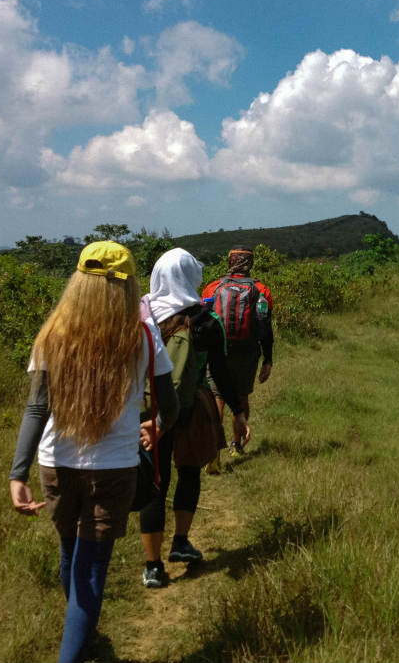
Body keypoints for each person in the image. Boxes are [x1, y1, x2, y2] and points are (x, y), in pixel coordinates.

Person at [8, 241, 178, 663]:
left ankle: (82, 637)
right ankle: (78, 644)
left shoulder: (54, 333)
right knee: (91, 568)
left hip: (55, 464)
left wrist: (18, 473)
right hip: (114, 469)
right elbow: (170, 406)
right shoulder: (143, 334)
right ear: (130, 285)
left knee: (71, 553)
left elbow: (37, 407)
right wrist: (155, 428)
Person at [138, 247, 238, 588]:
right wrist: (239, 412)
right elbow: (221, 373)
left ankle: (152, 565)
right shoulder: (207, 322)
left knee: (156, 481)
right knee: (189, 472)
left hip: (150, 411)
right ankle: (181, 542)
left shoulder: (143, 312)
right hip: (190, 409)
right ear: (191, 278)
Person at [201, 245, 273, 461]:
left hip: (217, 352)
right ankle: (235, 444)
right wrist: (268, 359)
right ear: (250, 263)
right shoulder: (262, 290)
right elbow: (265, 326)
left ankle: (213, 450)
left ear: (230, 262)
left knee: (217, 397)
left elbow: (203, 321)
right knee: (240, 397)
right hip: (247, 352)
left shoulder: (212, 288)